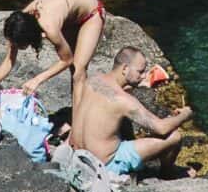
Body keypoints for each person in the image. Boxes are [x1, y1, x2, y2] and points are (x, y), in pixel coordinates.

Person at [69, 44, 191, 180]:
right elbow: (161, 128)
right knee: (174, 137)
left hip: (79, 154)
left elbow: (109, 96)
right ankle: (168, 172)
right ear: (125, 68)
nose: (144, 75)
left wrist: (132, 86)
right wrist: (186, 114)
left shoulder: (92, 81)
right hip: (106, 164)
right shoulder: (124, 101)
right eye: (140, 71)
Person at [0, 0, 108, 105]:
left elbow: (67, 60)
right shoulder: (17, 24)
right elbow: (9, 60)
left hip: (91, 13)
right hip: (69, 17)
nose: (18, 47)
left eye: (22, 45)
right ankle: (76, 116)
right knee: (74, 71)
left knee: (78, 72)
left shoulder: (49, 27)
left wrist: (37, 80)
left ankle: (78, 127)